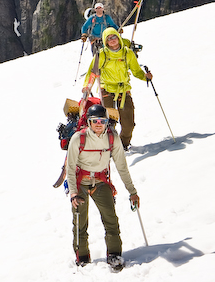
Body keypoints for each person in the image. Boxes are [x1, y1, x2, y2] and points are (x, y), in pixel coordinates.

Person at [66, 103, 140, 269]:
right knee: (79, 223)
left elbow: (122, 166)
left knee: (111, 220)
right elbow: (70, 168)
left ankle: (114, 255)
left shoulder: (112, 137)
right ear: (89, 122)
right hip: (80, 184)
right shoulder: (78, 138)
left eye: (102, 121)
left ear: (107, 122)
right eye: (95, 121)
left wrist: (132, 191)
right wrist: (72, 193)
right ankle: (82, 257)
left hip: (101, 182)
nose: (98, 124)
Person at [81, 27, 152, 150]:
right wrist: (87, 87)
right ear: (105, 41)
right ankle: (109, 146)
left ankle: (123, 145)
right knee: (108, 121)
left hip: (123, 90)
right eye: (109, 38)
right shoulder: (101, 54)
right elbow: (92, 72)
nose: (112, 40)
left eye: (114, 37)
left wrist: (145, 77)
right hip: (107, 90)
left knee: (128, 123)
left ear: (118, 38)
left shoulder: (127, 53)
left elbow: (136, 71)